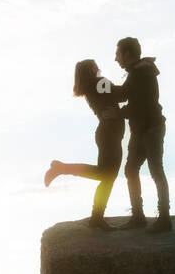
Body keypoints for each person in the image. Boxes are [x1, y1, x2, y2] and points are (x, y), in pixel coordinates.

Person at [43, 59, 125, 230]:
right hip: (109, 133)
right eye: (95, 66)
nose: (99, 67)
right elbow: (121, 94)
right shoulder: (100, 83)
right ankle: (62, 169)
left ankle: (96, 217)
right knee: (106, 175)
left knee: (106, 176)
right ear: (91, 70)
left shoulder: (91, 87)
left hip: (107, 133)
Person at [110, 36, 171, 232]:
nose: (116, 58)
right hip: (142, 128)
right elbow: (126, 94)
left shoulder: (140, 73)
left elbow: (136, 102)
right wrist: (102, 87)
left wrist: (116, 112)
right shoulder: (139, 71)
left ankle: (163, 219)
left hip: (150, 128)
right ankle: (139, 216)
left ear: (127, 54)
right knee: (132, 170)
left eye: (118, 54)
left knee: (155, 171)